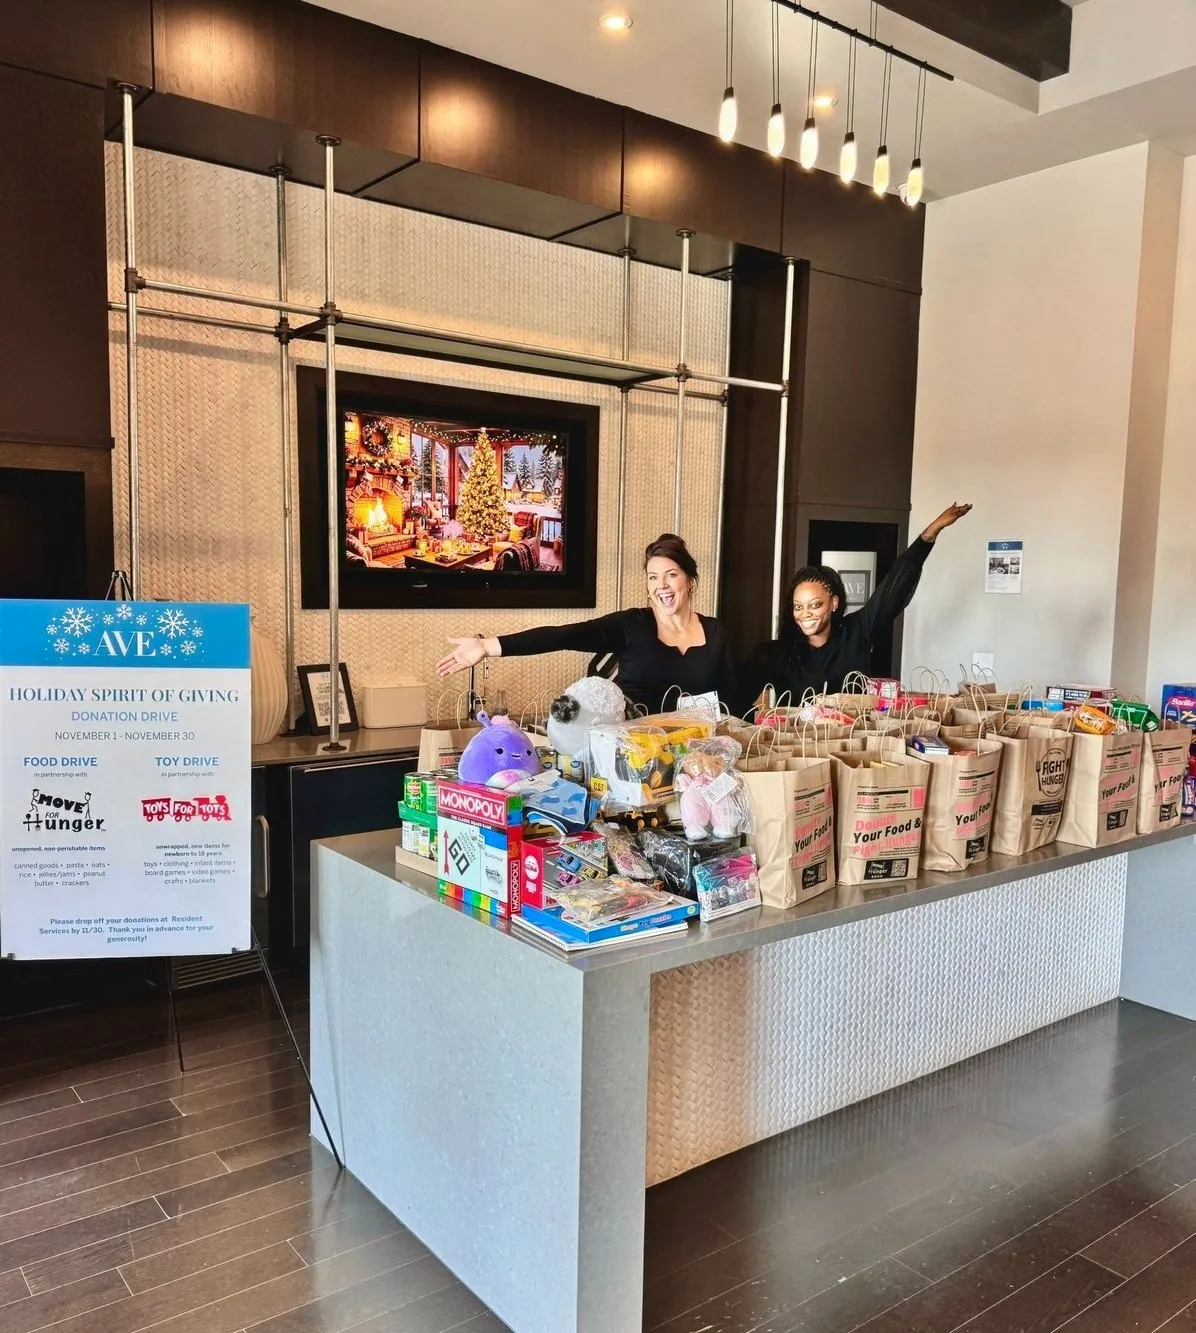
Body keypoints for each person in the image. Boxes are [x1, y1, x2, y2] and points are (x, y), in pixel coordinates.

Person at [436, 534, 736, 714]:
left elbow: (731, 703)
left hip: (700, 762)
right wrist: (487, 646)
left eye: (671, 575)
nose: (662, 586)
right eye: (653, 577)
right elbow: (563, 636)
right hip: (638, 759)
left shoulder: (715, 633)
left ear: (689, 580)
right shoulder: (631, 626)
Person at [737, 502, 972, 713]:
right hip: (801, 753)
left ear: (834, 603)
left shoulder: (857, 632)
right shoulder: (777, 654)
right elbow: (736, 700)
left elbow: (893, 589)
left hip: (854, 745)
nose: (805, 613)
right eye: (798, 607)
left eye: (815, 605)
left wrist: (930, 533)